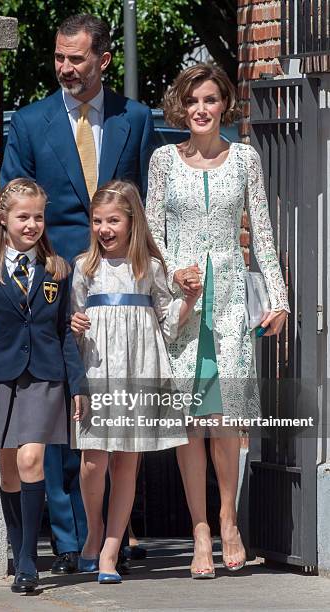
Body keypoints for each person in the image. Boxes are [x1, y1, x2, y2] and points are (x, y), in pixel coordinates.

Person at [0, 13, 154, 573]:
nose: (65, 67)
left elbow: (145, 206)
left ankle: (106, 536)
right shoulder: (32, 121)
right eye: (59, 58)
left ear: (104, 60)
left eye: (76, 59)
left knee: (110, 413)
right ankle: (69, 541)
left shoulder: (134, 118)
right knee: (56, 411)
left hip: (119, 293)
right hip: (52, 285)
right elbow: (13, 204)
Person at [146, 63, 290, 579]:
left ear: (224, 103)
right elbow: (153, 235)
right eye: (192, 101)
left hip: (228, 297)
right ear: (180, 108)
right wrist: (172, 278)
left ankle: (229, 519)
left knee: (226, 419)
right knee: (190, 423)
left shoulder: (246, 159)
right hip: (184, 303)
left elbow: (264, 235)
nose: (201, 110)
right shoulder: (163, 160)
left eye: (209, 99)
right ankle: (200, 531)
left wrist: (278, 297)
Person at [70, 179, 202, 583]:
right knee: (94, 460)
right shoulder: (83, 267)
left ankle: (110, 551)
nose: (104, 229)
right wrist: (74, 326)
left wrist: (190, 301)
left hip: (138, 370)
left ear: (132, 222)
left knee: (127, 463)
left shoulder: (150, 267)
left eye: (113, 220)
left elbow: (166, 323)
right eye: (97, 221)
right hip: (97, 370)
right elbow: (73, 321)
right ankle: (94, 530)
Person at [0, 178, 86, 593]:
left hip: (46, 378)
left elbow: (65, 333)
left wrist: (78, 385)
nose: (32, 224)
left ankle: (30, 559)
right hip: (0, 380)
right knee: (10, 471)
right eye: (23, 216)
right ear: (4, 219)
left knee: (33, 460)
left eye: (38, 216)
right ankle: (17, 548)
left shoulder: (58, 269)